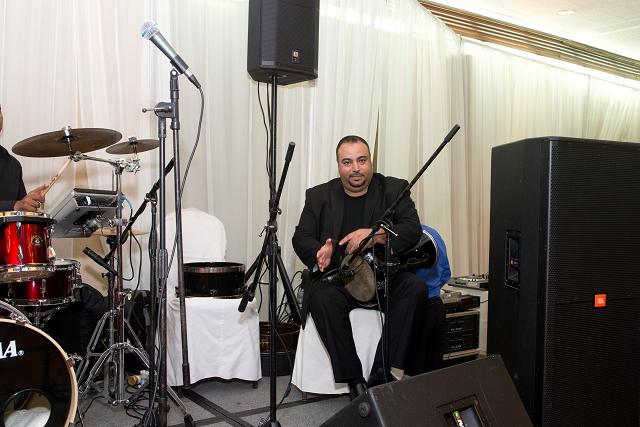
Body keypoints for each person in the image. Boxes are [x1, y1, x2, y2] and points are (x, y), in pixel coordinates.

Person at [292, 135, 428, 399]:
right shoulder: (318, 196)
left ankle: (381, 372)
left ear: (370, 162)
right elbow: (301, 237)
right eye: (348, 162)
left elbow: (412, 229)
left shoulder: (394, 189)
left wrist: (377, 236)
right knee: (320, 296)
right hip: (340, 279)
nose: (355, 168)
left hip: (384, 277)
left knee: (416, 288)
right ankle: (354, 381)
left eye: (362, 160)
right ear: (338, 166)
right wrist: (320, 251)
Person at [0, 105, 47, 211]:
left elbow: (21, 211)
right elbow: (17, 205)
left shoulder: (13, 164)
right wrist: (14, 205)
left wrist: (28, 202)